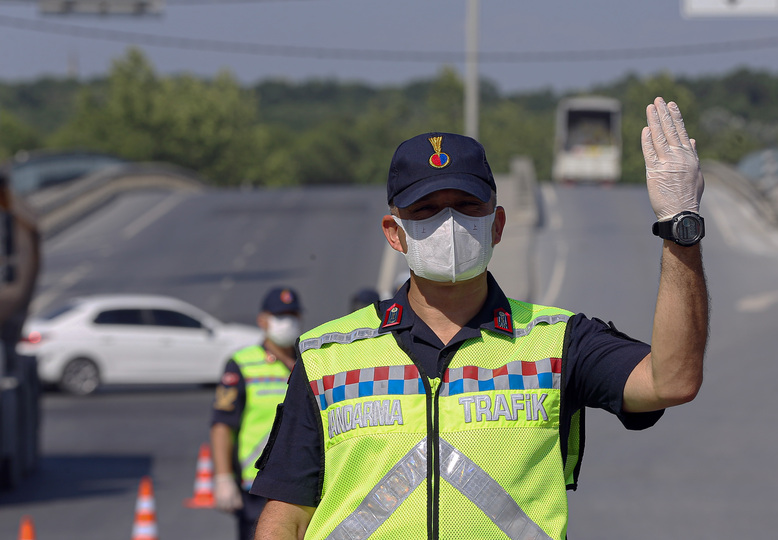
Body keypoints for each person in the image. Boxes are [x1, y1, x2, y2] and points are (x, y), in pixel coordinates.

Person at [251, 97, 708, 540]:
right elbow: (287, 516)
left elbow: (672, 381)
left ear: (497, 224)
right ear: (394, 233)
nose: (448, 223)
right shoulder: (327, 357)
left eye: (467, 206)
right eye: (426, 210)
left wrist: (680, 229)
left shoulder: (558, 342)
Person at [210, 286, 303, 540]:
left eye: (292, 315)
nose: (287, 322)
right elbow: (222, 425)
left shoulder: (309, 360)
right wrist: (223, 477)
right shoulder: (242, 363)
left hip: (301, 481)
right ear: (262, 320)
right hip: (257, 483)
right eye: (280, 316)